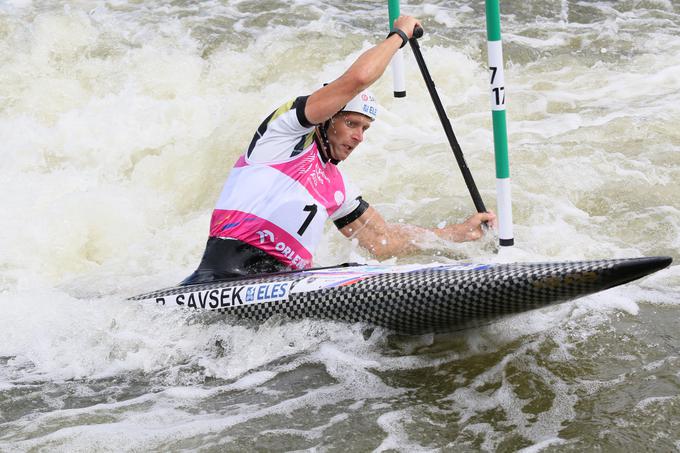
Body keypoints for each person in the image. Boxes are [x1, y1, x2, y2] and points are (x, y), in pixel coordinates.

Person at [181, 15, 496, 285]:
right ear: (327, 118)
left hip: (286, 284)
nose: (359, 137)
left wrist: (457, 233)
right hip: (224, 276)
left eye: (365, 129)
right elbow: (357, 79)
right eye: (352, 124)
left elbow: (382, 241)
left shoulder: (338, 186)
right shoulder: (282, 136)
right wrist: (399, 36)